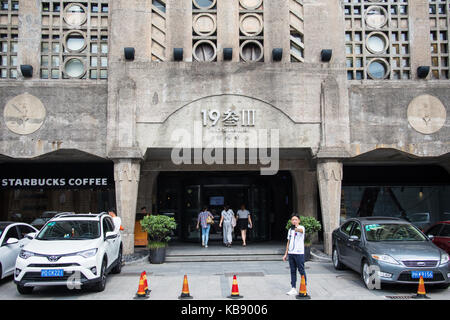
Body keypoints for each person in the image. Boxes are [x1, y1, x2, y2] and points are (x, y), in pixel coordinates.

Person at [282, 214, 307, 295]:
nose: (294, 221)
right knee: (293, 271)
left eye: (296, 219)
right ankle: (293, 288)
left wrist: (296, 229)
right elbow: (288, 242)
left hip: (299, 253)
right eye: (293, 220)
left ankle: (304, 286)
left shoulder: (301, 227)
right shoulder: (290, 230)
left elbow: (301, 231)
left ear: (299, 220)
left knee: (301, 270)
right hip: (291, 253)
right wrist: (285, 254)